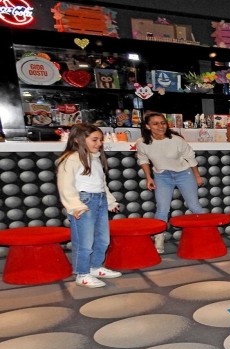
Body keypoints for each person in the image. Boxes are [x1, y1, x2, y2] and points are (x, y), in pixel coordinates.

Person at [56, 124, 122, 288]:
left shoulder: (95, 158)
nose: (99, 143)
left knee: (103, 239)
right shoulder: (70, 159)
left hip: (99, 200)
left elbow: (101, 184)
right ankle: (82, 274)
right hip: (83, 202)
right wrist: (75, 206)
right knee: (84, 242)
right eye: (95, 140)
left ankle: (95, 267)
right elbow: (65, 186)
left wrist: (110, 201)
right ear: (78, 140)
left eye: (100, 140)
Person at [136, 111, 205, 254]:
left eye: (163, 123)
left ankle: (207, 232)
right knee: (162, 208)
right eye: (155, 124)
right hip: (162, 176)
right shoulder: (142, 143)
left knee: (194, 205)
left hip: (184, 173)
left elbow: (190, 158)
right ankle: (159, 239)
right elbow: (143, 160)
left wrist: (197, 176)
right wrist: (149, 177)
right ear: (148, 126)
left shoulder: (176, 140)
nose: (160, 126)